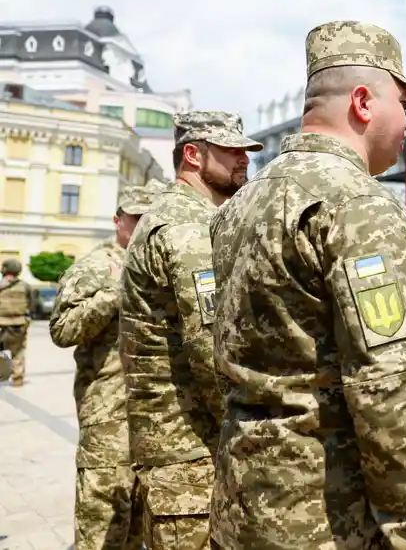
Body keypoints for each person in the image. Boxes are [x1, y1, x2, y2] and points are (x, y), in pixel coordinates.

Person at [209, 21, 406, 549]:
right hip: (325, 517)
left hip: (240, 504)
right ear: (363, 102)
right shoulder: (359, 204)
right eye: (403, 103)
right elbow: (388, 385)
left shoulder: (240, 203)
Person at [119, 111, 261, 550]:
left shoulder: (190, 218)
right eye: (230, 150)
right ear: (193, 155)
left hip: (187, 455)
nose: (244, 160)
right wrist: (255, 439)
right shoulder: (185, 228)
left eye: (245, 151)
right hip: (190, 460)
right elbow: (212, 349)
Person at [49, 179, 165, 550]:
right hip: (108, 415)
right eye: (136, 217)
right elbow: (63, 329)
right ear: (119, 220)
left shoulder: (158, 265)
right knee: (101, 521)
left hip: (155, 414)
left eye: (151, 218)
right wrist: (113, 294)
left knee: (136, 520)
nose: (143, 225)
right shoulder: (95, 268)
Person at [0, 258, 31, 387]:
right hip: (19, 323)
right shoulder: (25, 286)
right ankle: (17, 379)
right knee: (18, 352)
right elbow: (30, 304)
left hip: (1, 323)